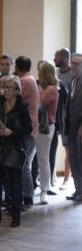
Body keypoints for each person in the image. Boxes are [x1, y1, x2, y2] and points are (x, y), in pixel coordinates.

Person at [0, 75, 33, 227]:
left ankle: (16, 214)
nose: (7, 91)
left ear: (17, 90)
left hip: (14, 148)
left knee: (15, 182)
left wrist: (12, 132)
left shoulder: (22, 106)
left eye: (10, 88)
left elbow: (28, 128)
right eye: (4, 87)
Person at [14, 56, 39, 210]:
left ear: (17, 67)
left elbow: (14, 98)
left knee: (24, 165)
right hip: (31, 127)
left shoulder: (24, 81)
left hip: (28, 128)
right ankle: (25, 196)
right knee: (25, 164)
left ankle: (28, 198)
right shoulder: (31, 79)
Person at [36, 62, 59, 204]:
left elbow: (39, 103)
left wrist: (37, 91)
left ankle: (44, 190)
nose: (38, 74)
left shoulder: (51, 89)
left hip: (45, 127)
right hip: (40, 127)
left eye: (40, 72)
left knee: (43, 159)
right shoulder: (46, 88)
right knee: (38, 158)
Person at [54, 48, 74, 190]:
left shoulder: (74, 74)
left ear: (65, 58)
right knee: (52, 147)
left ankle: (66, 179)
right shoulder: (55, 74)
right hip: (55, 116)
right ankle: (52, 177)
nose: (54, 59)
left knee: (68, 149)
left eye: (57, 57)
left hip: (68, 117)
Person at [65, 53, 82, 202]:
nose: (73, 66)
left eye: (77, 64)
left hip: (80, 128)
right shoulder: (72, 81)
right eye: (72, 63)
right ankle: (78, 189)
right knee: (73, 159)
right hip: (71, 127)